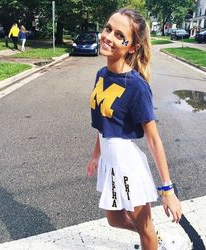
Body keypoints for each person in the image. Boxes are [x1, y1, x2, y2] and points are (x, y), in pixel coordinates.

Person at [86, 8, 182, 250]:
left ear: (132, 47)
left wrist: (167, 190)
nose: (108, 37)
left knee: (144, 227)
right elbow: (102, 124)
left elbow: (154, 140)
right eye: (108, 28)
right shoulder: (101, 75)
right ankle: (151, 237)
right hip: (108, 160)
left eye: (120, 35)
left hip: (125, 164)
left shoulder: (137, 86)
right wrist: (96, 155)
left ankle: (151, 239)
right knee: (115, 220)